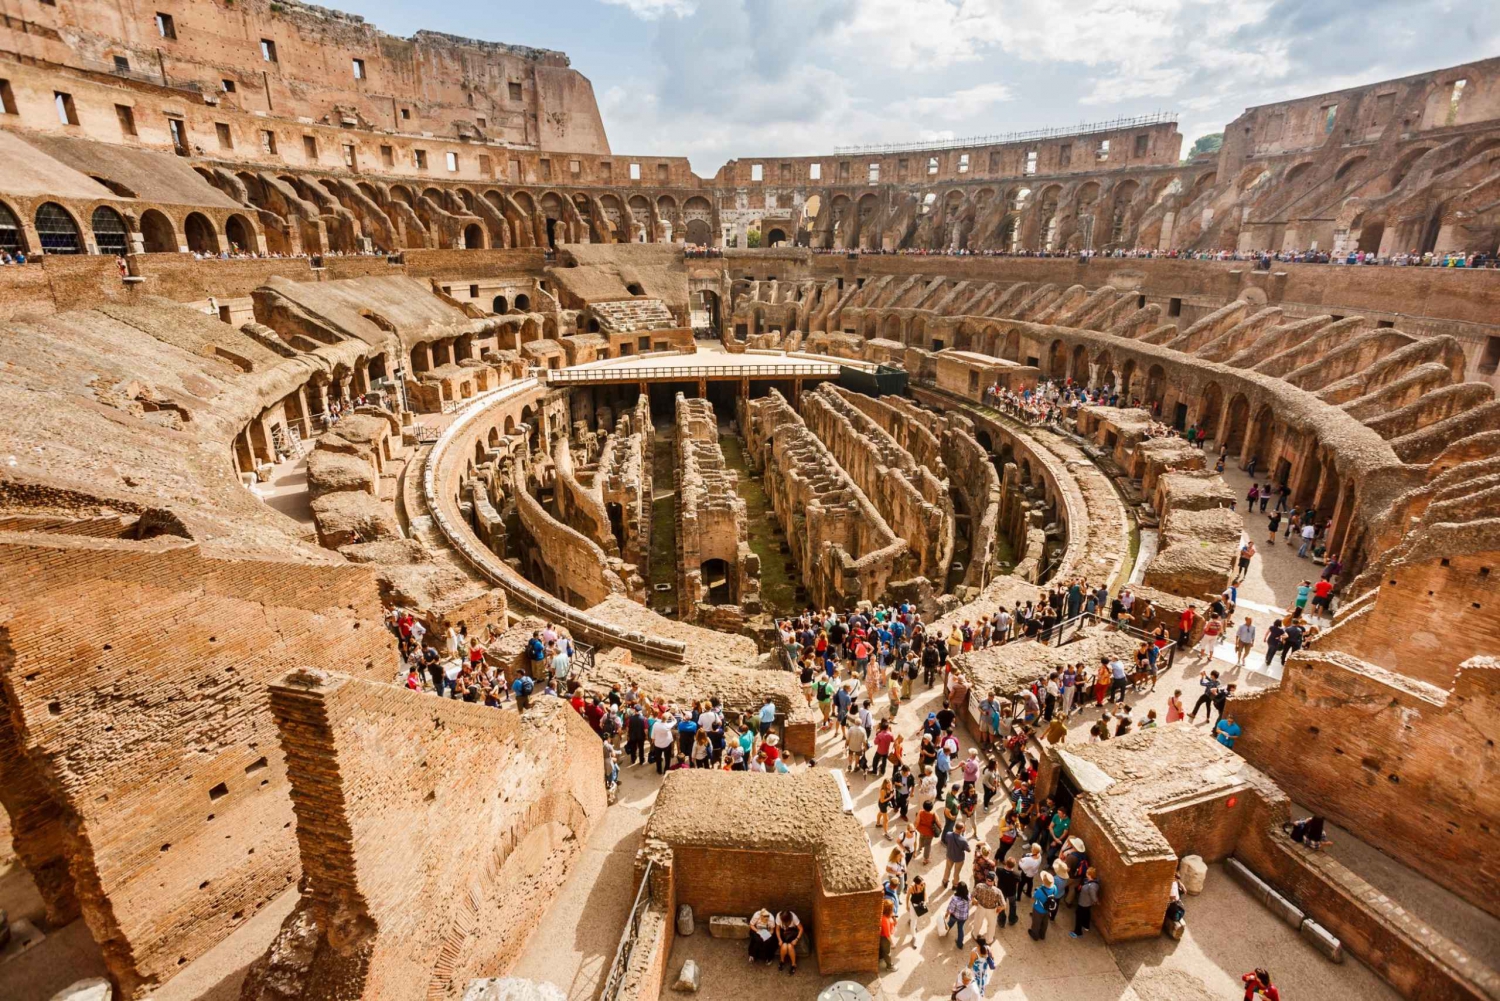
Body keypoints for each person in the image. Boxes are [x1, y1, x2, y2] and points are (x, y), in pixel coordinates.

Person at [1070, 867, 1100, 938]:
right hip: (1087, 903)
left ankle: (1078, 932)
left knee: (1079, 916)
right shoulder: (1093, 882)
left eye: (1087, 873)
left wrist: (1096, 901)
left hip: (1084, 903)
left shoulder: (1091, 886)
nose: (1086, 873)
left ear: (1090, 875)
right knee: (1086, 913)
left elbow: (1093, 896)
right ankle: (1086, 925)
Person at [1028, 871, 1058, 940]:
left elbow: (1035, 896)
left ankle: (1035, 935)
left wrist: (1036, 891)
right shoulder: (1054, 888)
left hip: (1038, 909)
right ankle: (1042, 935)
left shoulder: (1040, 891)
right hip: (1047, 909)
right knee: (1045, 922)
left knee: (1036, 922)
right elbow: (1055, 895)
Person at [941, 821, 972, 889]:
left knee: (947, 869)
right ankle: (955, 885)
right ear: (962, 829)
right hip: (959, 858)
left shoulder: (948, 834)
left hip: (950, 855)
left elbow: (946, 841)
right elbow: (969, 850)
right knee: (957, 872)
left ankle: (945, 881)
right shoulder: (963, 840)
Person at [944, 881, 972, 948]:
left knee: (950, 923)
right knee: (960, 929)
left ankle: (945, 932)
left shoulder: (955, 898)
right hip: (964, 916)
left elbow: (951, 908)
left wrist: (947, 914)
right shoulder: (968, 895)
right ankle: (960, 944)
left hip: (955, 916)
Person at [775, 909, 802, 974]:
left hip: (791, 933)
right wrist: (779, 940)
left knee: (790, 947)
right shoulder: (779, 916)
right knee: (784, 946)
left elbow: (801, 929)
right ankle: (782, 961)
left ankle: (793, 964)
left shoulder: (794, 917)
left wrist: (796, 939)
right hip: (783, 933)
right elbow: (777, 929)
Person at [878, 898, 896, 970]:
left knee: (883, 950)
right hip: (885, 938)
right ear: (889, 909)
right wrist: (892, 943)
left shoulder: (885, 915)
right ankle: (889, 966)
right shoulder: (885, 920)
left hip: (884, 937)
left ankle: (881, 958)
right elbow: (887, 934)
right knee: (887, 952)